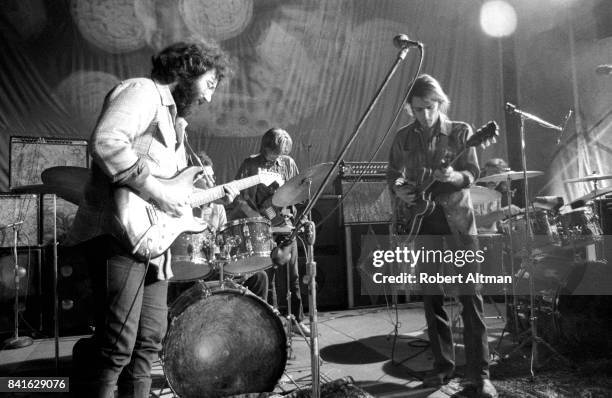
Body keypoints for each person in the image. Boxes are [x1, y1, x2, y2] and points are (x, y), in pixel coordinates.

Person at [66, 42, 236, 398]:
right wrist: (158, 191)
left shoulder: (177, 125)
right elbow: (108, 141)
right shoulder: (143, 91)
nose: (209, 96)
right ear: (189, 69)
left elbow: (172, 196)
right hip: (117, 236)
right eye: (210, 83)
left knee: (148, 344)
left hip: (154, 246)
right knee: (116, 347)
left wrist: (204, 197)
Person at [387, 74, 498, 398]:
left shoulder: (462, 132)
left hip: (458, 224)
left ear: (441, 103)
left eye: (431, 107)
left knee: (470, 299)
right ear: (410, 108)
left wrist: (454, 175)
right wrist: (400, 191)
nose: (425, 114)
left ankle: (479, 376)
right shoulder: (403, 138)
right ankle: (442, 368)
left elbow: (473, 174)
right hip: (422, 226)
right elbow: (393, 173)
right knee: (432, 299)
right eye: (418, 109)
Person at [229, 127, 310, 337]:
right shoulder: (250, 164)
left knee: (292, 277)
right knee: (268, 277)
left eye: (283, 152)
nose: (280, 156)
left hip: (286, 225)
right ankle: (271, 323)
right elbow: (239, 197)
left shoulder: (288, 163)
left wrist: (296, 217)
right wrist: (260, 217)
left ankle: (295, 320)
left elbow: (298, 192)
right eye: (276, 152)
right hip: (260, 228)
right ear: (265, 147)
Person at [191, 150, 269, 300]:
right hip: (193, 267)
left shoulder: (218, 208)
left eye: (213, 176)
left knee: (259, 277)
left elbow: (222, 242)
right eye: (206, 176)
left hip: (215, 266)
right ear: (193, 180)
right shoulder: (183, 206)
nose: (212, 180)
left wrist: (232, 258)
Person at [474, 158, 522, 233]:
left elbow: (495, 223)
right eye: (490, 174)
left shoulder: (497, 194)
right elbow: (475, 222)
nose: (494, 179)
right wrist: (503, 212)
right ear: (484, 174)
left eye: (498, 176)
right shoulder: (474, 192)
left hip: (493, 239)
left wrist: (503, 226)